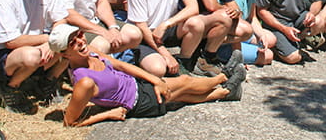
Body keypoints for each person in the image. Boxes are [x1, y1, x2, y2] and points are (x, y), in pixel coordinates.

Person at [52, 24, 245, 127]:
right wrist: (107, 115)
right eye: (72, 43)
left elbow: (120, 65)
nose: (80, 41)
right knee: (184, 83)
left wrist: (152, 79)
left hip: (138, 85)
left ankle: (225, 93)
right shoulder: (84, 81)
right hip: (136, 102)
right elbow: (70, 123)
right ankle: (224, 78)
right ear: (64, 54)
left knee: (183, 96)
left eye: (78, 35)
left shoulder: (91, 51)